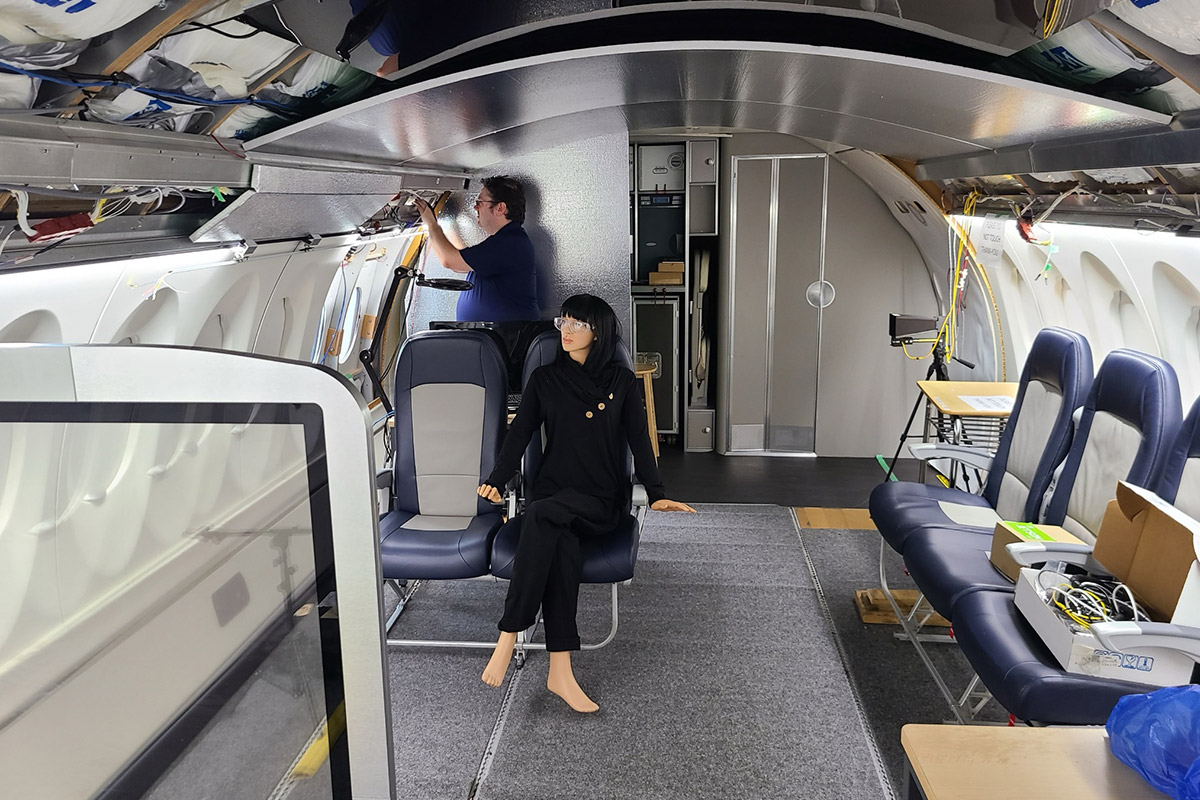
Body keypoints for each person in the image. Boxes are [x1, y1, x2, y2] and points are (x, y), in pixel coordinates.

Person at [476, 294, 696, 713]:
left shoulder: (622, 383)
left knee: (541, 514)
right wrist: (495, 481)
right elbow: (519, 436)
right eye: (564, 322)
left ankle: (509, 632)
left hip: (599, 500)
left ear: (600, 331)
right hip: (555, 494)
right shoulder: (544, 380)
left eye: (578, 323)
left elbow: (640, 442)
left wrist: (657, 494)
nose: (567, 330)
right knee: (557, 540)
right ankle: (560, 672)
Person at [414, 176, 540, 324]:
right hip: (492, 338)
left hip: (505, 339)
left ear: (500, 208)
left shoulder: (508, 243)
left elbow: (450, 261)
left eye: (480, 202)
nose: (475, 207)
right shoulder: (508, 240)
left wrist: (431, 223)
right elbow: (461, 260)